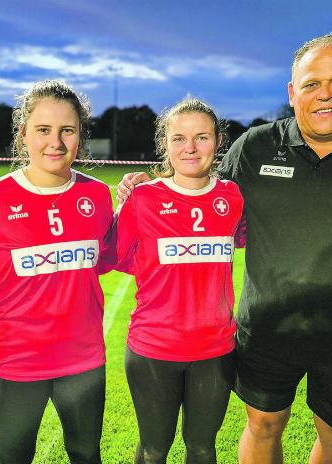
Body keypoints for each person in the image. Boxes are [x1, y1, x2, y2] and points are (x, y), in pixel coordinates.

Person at [119, 34, 332, 464]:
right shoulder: (256, 146)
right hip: (266, 329)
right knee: (262, 425)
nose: (325, 94)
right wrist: (149, 186)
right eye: (311, 83)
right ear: (292, 92)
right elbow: (200, 189)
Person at [0, 79, 115, 464]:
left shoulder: (96, 194)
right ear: (23, 134)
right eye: (43, 130)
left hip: (83, 358)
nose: (56, 142)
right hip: (14, 359)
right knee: (14, 456)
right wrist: (11, 285)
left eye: (68, 130)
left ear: (81, 135)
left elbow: (105, 257)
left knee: (85, 454)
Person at [115, 98, 244, 464]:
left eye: (201, 137)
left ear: (219, 141)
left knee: (202, 447)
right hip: (154, 348)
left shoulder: (232, 197)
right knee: (154, 449)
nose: (190, 148)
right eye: (179, 138)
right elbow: (122, 258)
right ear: (165, 144)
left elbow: (251, 237)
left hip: (216, 350)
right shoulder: (142, 199)